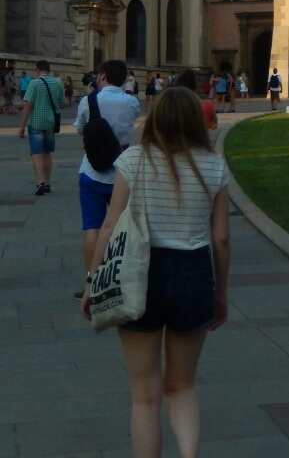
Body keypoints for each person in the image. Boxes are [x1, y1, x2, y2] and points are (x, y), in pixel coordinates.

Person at [82, 86, 230, 458]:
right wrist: (220, 292)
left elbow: (109, 225)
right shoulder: (214, 166)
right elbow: (222, 239)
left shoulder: (132, 160)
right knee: (182, 388)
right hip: (194, 274)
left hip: (139, 273)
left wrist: (92, 283)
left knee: (144, 396)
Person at [73, 60, 142, 299]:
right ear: (124, 79)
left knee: (92, 227)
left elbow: (80, 128)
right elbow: (130, 126)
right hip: (121, 171)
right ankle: (118, 280)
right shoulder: (132, 102)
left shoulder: (89, 101)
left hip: (91, 169)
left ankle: (91, 281)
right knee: (120, 228)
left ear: (102, 75)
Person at [17, 59, 64, 195]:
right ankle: (48, 183)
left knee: (37, 153)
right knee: (47, 153)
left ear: (38, 69)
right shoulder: (57, 84)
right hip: (51, 122)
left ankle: (40, 182)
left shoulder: (34, 83)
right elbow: (62, 104)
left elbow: (28, 105)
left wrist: (21, 126)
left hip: (36, 123)